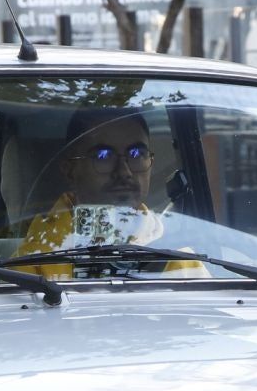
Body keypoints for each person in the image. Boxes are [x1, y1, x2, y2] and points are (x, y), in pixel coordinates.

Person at [13, 110, 200, 277]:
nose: (124, 172)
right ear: (69, 169)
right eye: (103, 156)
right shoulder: (34, 261)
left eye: (136, 154)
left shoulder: (178, 255)